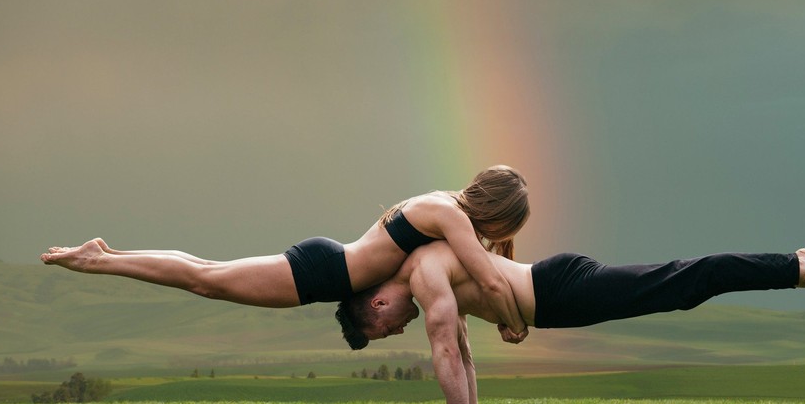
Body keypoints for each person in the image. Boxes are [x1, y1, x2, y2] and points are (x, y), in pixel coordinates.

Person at [335, 241, 805, 404]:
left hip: (563, 289)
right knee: (679, 286)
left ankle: (795, 267)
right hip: (558, 296)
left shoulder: (425, 275)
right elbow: (466, 355)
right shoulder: (431, 280)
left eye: (383, 329)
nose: (395, 330)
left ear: (376, 303)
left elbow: (447, 350)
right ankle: (792, 266)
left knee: (684, 282)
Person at [40, 165, 532, 342]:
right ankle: (97, 260)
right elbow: (489, 279)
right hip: (324, 273)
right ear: (497, 209)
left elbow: (491, 263)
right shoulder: (449, 215)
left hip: (328, 264)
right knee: (204, 280)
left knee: (206, 273)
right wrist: (516, 324)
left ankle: (105, 255)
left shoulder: (443, 204)